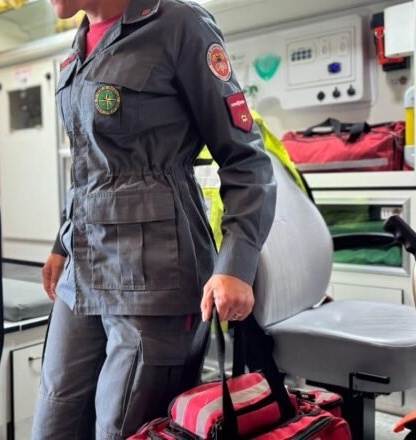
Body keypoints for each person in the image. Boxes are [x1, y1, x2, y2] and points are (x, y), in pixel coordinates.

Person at [34, 0, 277, 437]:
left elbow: (247, 161)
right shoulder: (79, 45)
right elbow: (91, 167)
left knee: (127, 429)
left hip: (154, 274)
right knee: (53, 424)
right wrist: (60, 243)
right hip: (82, 267)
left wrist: (237, 266)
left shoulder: (179, 25)